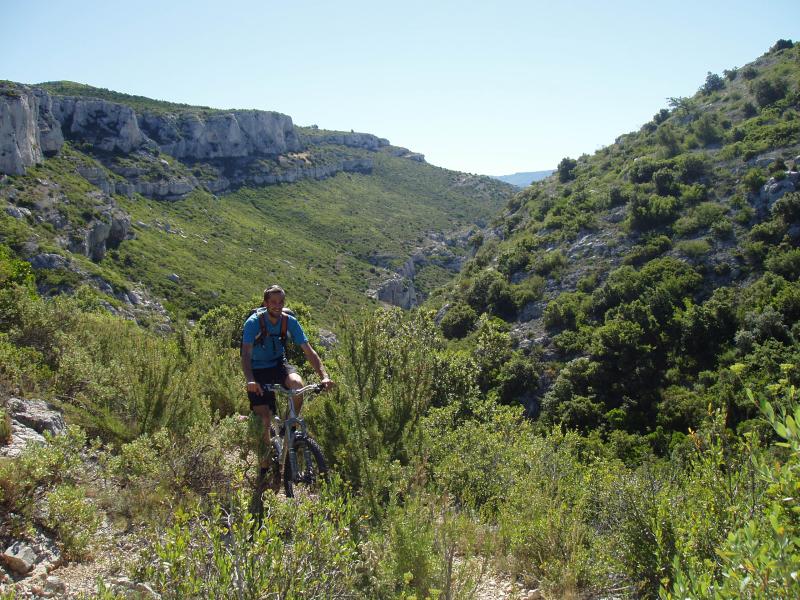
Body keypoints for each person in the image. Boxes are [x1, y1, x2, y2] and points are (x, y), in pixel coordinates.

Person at [241, 285, 333, 478]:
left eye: (281, 302)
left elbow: (309, 351)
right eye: (273, 302)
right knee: (264, 420)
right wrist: (250, 380)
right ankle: (265, 468)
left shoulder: (289, 322)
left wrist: (324, 376)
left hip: (277, 365)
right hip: (257, 370)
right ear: (265, 303)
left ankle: (287, 428)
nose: (277, 305)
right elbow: (246, 355)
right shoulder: (253, 323)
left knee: (298, 386)